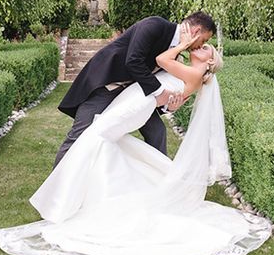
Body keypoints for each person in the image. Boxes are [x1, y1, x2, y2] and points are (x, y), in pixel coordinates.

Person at [0, 27, 271, 255]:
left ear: (209, 62)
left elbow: (162, 63)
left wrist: (182, 49)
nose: (200, 47)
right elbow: (169, 94)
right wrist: (169, 100)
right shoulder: (189, 66)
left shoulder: (194, 72)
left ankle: (65, 195)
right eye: (203, 42)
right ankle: (79, 191)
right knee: (101, 137)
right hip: (138, 95)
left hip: (140, 101)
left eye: (205, 47)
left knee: (99, 135)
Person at [54, 12, 215, 167]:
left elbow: (162, 80)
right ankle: (54, 187)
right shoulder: (154, 25)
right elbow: (133, 61)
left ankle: (161, 182)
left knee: (157, 132)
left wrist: (168, 105)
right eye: (203, 40)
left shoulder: (177, 50)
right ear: (196, 31)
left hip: (135, 94)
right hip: (108, 84)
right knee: (79, 133)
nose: (200, 46)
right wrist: (160, 93)